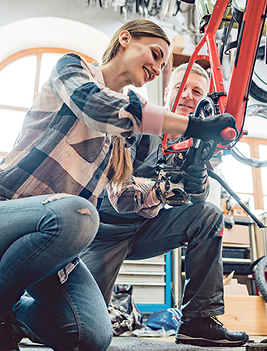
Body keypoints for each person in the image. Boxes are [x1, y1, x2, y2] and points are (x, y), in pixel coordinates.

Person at [0, 20, 236, 351]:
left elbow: (123, 197)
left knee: (92, 338)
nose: (158, 68)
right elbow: (98, 108)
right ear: (125, 39)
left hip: (62, 239)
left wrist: (168, 188)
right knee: (80, 213)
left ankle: (17, 312)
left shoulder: (124, 134)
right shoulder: (72, 68)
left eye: (163, 64)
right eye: (156, 54)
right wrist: (195, 126)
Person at [79, 62, 249, 347]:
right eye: (184, 88)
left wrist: (200, 181)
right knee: (79, 329)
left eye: (198, 92)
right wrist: (161, 189)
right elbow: (118, 193)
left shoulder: (193, 142)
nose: (189, 96)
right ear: (168, 91)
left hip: (145, 230)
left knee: (208, 216)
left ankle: (198, 321)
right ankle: (12, 306)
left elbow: (197, 201)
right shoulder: (137, 124)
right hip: (104, 231)